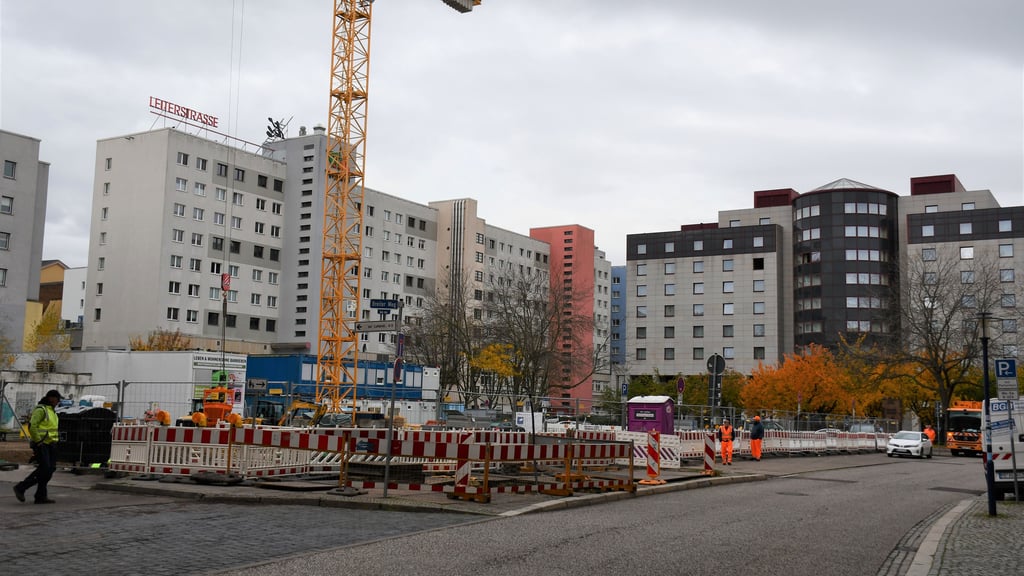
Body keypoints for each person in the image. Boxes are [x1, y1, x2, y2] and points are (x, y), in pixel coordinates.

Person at [13, 389, 62, 504]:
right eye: (57, 399)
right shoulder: (41, 410)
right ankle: (21, 488)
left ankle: (40, 495)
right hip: (43, 444)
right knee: (45, 469)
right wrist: (39, 441)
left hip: (51, 444)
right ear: (51, 398)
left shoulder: (52, 411)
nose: (58, 401)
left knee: (49, 470)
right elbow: (32, 426)